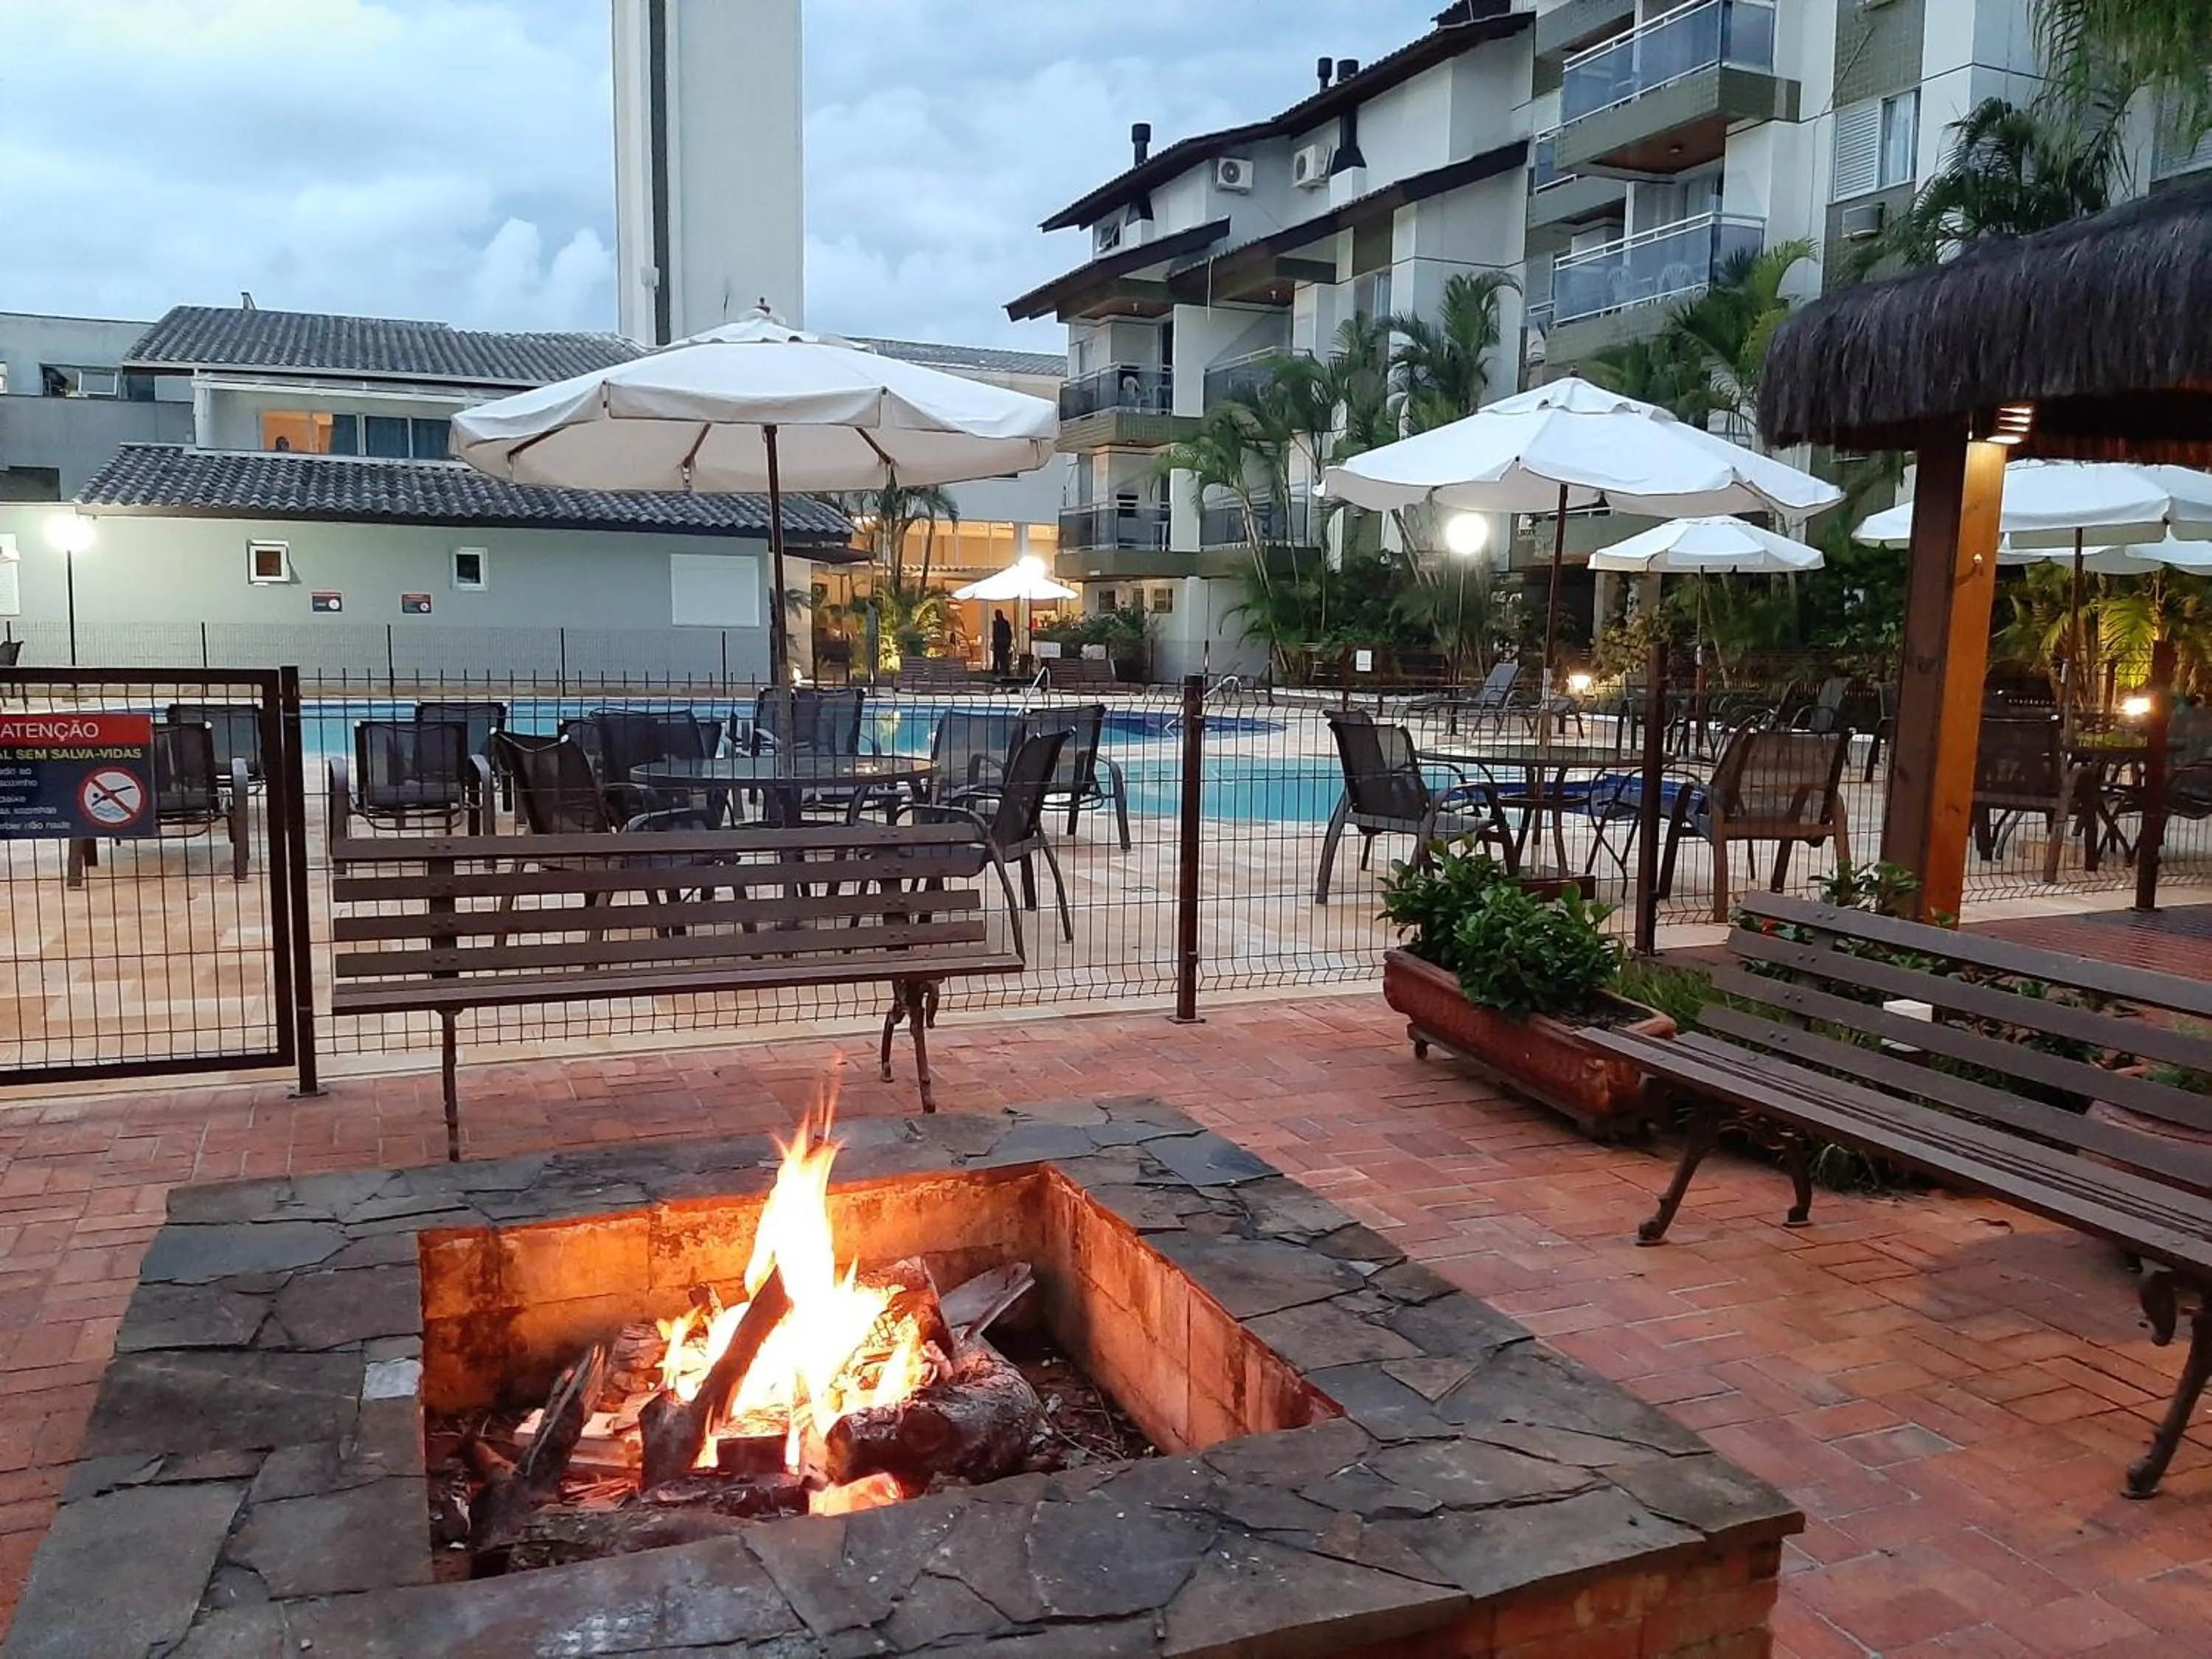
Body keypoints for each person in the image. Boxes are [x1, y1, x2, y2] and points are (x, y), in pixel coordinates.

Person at [990, 609, 1014, 676]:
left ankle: (1004, 671)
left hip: (1003, 644)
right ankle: (998, 671)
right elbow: (995, 635)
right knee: (998, 659)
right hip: (999, 644)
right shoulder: (997, 623)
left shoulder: (1004, 623)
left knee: (1003, 659)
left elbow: (1009, 634)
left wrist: (1008, 643)